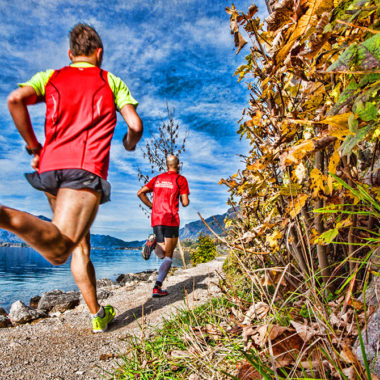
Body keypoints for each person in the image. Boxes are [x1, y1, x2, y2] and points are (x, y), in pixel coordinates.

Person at [1, 24, 143, 333]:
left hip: (50, 170)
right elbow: (135, 124)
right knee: (61, 249)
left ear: (70, 54)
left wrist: (33, 146)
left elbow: (15, 99)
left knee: (81, 245)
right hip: (84, 170)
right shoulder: (110, 80)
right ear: (99, 52)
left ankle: (98, 315)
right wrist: (129, 143)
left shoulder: (51, 77)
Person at [137, 155, 190, 297]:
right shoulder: (181, 180)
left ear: (166, 165)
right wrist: (183, 197)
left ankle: (153, 244)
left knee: (161, 254)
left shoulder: (157, 179)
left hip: (157, 219)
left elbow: (140, 192)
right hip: (171, 219)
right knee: (168, 256)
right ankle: (157, 287)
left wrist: (152, 206)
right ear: (178, 165)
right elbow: (185, 203)